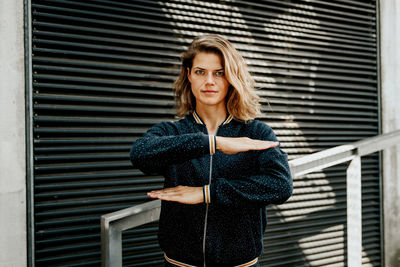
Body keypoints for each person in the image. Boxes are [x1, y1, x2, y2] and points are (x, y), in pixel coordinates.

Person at [130, 34, 292, 267]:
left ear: (231, 77)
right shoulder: (172, 132)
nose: (209, 81)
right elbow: (140, 154)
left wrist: (208, 193)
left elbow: (280, 185)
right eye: (200, 72)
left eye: (219, 73)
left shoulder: (257, 133)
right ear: (188, 75)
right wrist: (212, 143)